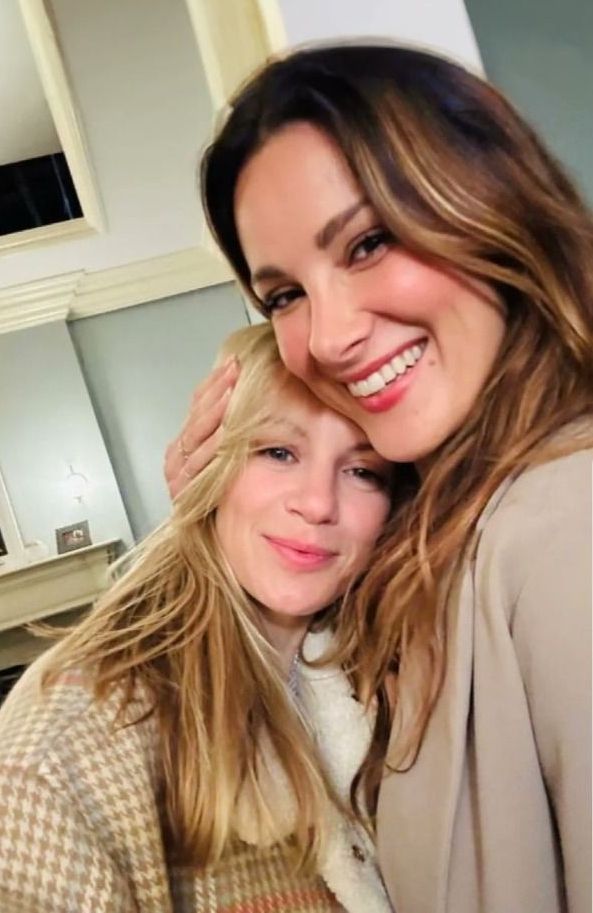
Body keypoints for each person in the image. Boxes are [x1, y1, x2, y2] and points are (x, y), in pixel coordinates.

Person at [165, 42, 593, 913]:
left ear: (489, 205)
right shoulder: (437, 528)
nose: (327, 337)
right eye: (284, 295)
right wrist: (212, 531)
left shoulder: (564, 526)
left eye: (367, 242)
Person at [0, 323, 396, 913]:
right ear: (211, 459)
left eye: (363, 471)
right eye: (277, 452)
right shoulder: (63, 753)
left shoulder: (396, 665)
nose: (318, 503)